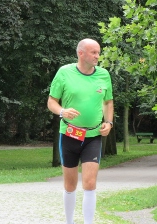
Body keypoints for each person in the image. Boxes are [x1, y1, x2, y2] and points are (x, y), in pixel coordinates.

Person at [47, 38, 114, 224]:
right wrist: (62, 111)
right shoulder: (64, 73)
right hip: (69, 134)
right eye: (93, 52)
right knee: (70, 185)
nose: (97, 56)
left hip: (93, 136)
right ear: (81, 53)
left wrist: (108, 122)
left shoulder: (104, 75)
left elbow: (108, 102)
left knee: (90, 183)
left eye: (98, 52)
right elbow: (51, 101)